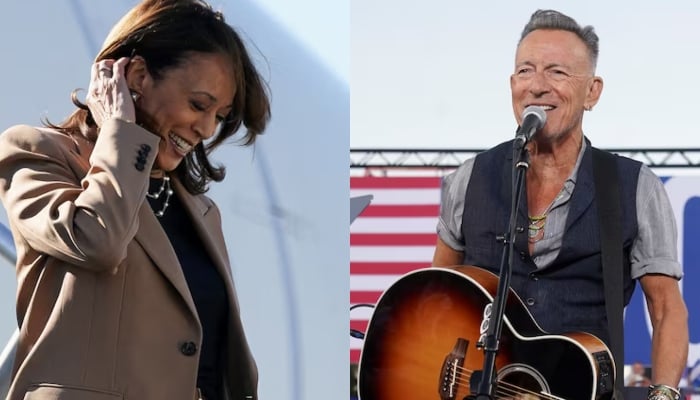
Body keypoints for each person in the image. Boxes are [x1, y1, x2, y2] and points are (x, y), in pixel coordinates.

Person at [0, 1, 270, 399]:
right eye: (199, 104)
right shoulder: (40, 154)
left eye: (220, 115)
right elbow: (98, 239)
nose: (207, 128)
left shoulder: (200, 210)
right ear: (138, 75)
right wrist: (120, 130)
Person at [432, 9, 688, 400]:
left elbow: (666, 308)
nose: (536, 86)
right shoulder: (470, 179)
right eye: (525, 70)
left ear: (593, 92)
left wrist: (665, 393)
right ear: (511, 85)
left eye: (557, 72)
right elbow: (436, 292)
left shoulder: (635, 187)